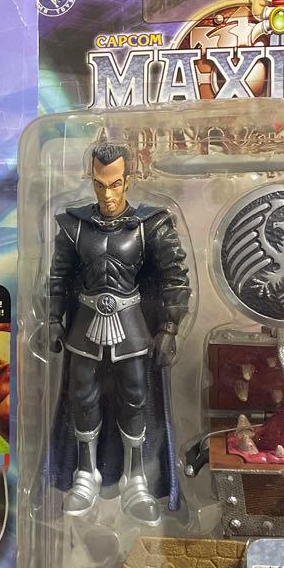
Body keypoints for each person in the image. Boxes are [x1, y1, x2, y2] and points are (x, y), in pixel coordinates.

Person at [47, 143, 191, 523]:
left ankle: (136, 477)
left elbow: (175, 277)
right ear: (91, 180)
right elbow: (58, 276)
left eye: (114, 184)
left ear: (128, 180)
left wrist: (170, 327)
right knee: (82, 397)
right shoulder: (74, 225)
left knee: (135, 397)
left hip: (131, 324)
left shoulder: (150, 224)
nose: (107, 194)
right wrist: (53, 319)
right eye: (99, 184)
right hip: (85, 324)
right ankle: (85, 473)